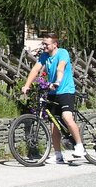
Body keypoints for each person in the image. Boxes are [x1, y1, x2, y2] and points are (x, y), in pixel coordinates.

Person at [22, 32, 84, 163]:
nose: (44, 46)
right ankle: (58, 155)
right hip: (52, 93)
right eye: (43, 43)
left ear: (55, 45)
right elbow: (35, 70)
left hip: (66, 91)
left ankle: (79, 146)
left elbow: (61, 67)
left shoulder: (63, 53)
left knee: (67, 117)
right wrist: (27, 85)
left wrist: (58, 81)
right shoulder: (44, 56)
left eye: (46, 44)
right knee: (54, 124)